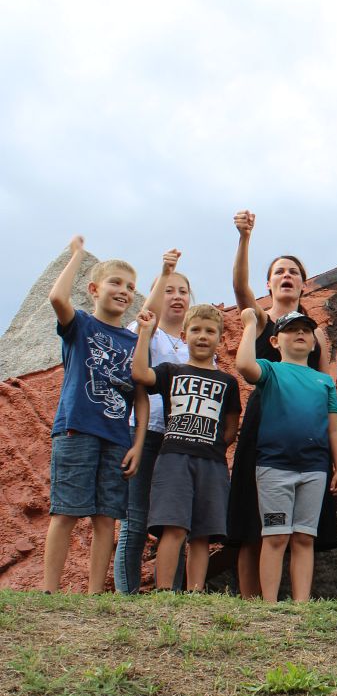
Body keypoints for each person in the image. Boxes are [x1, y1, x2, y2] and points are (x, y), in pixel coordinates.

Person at [227, 210, 337, 599]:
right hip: (263, 425)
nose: (286, 276)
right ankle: (252, 600)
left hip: (306, 437)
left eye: (293, 272)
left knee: (301, 528)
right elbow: (239, 286)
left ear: (304, 285)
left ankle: (294, 597)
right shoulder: (260, 319)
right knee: (250, 519)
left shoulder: (314, 332)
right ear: (269, 283)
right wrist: (244, 237)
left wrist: (334, 452)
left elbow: (326, 389)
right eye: (279, 272)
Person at [43, 235, 147, 593]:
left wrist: (137, 443)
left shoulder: (134, 343)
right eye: (115, 282)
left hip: (117, 437)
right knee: (66, 511)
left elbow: (141, 395)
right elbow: (57, 297)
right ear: (93, 289)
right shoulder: (82, 326)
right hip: (77, 430)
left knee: (106, 518)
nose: (124, 291)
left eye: (131, 287)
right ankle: (49, 589)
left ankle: (94, 593)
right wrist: (76, 255)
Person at [235, 309, 337, 602]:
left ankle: (301, 604)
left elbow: (334, 428)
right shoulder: (271, 371)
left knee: (304, 537)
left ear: (314, 344)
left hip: (314, 469)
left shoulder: (324, 382)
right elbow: (244, 365)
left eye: (306, 330)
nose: (300, 334)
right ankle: (270, 604)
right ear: (274, 341)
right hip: (274, 466)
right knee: (275, 536)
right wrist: (249, 325)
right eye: (291, 329)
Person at [132, 303, 241, 591]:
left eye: (210, 331)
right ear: (184, 335)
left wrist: (216, 445)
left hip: (212, 462)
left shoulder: (227, 381)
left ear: (220, 338)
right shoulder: (171, 370)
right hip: (173, 459)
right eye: (196, 330)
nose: (203, 336)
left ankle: (195, 590)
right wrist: (145, 333)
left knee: (203, 532)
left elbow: (231, 425)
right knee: (174, 525)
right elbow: (140, 374)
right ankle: (165, 589)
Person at [115, 250, 192, 593]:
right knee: (134, 518)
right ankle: (126, 594)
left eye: (182, 291)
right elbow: (145, 316)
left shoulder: (193, 348)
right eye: (168, 290)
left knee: (174, 520)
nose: (176, 297)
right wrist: (165, 271)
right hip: (143, 433)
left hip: (179, 440)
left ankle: (172, 593)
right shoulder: (146, 332)